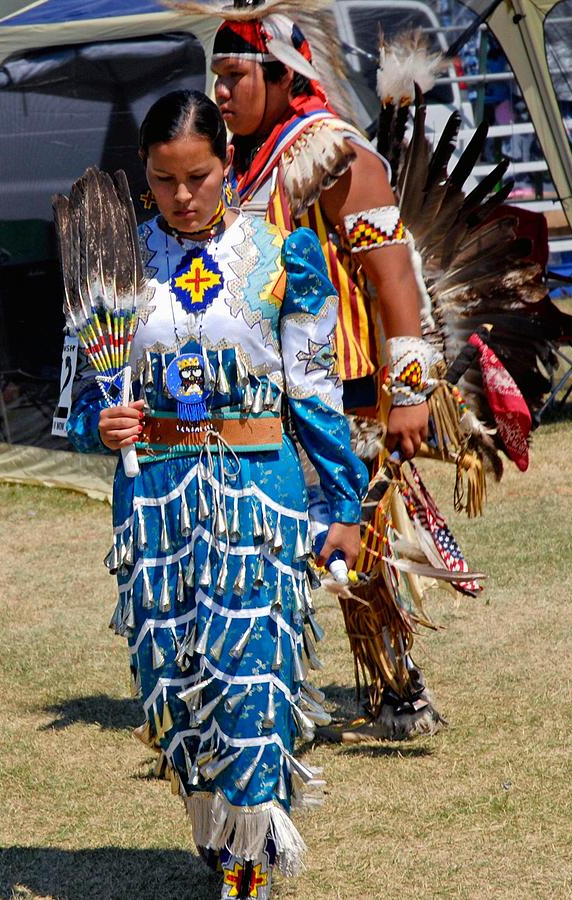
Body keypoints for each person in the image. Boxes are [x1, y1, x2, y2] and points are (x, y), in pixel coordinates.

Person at [66, 89, 367, 899]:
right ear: (146, 177)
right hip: (155, 497)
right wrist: (105, 421)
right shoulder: (114, 267)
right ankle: (217, 830)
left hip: (257, 494)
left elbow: (315, 392)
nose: (184, 196)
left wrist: (343, 507)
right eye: (165, 182)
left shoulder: (280, 260)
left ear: (226, 162)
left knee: (248, 671)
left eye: (198, 175)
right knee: (172, 675)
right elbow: (79, 400)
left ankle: (250, 858)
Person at [206, 9, 446, 738]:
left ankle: (402, 691)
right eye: (215, 77)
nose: (221, 92)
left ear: (284, 75)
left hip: (345, 389)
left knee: (354, 544)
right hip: (265, 389)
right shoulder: (240, 158)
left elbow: (394, 277)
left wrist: (409, 397)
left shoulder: (334, 154)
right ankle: (272, 694)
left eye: (235, 76)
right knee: (273, 540)